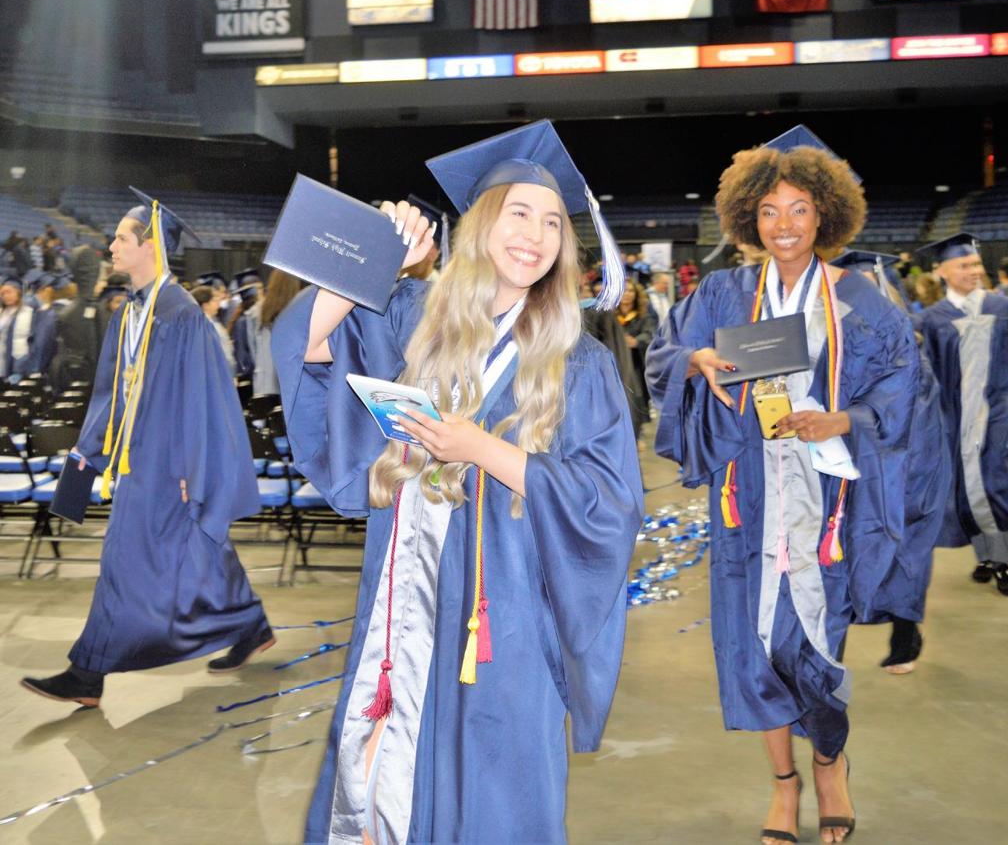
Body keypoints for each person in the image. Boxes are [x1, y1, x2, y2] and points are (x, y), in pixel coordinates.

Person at [273, 121, 642, 845]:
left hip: (504, 623)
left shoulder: (580, 365)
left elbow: (609, 507)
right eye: (517, 213)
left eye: (551, 224)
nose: (535, 237)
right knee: (383, 783)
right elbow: (306, 346)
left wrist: (482, 449)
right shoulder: (415, 319)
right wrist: (374, 260)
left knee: (497, 798)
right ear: (479, 225)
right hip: (400, 609)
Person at [647, 124, 922, 845]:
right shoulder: (722, 290)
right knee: (753, 642)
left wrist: (844, 419)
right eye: (769, 211)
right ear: (748, 219)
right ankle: (783, 783)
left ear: (825, 215)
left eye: (799, 209)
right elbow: (664, 353)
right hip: (748, 496)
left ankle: (829, 763)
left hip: (827, 502)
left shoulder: (860, 297)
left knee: (816, 640)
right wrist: (698, 361)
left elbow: (903, 387)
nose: (784, 226)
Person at [19, 190, 272, 708]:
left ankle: (87, 674)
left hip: (169, 465)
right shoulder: (127, 314)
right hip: (136, 464)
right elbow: (110, 394)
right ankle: (249, 623)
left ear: (149, 245)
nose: (110, 245)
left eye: (120, 238)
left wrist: (191, 472)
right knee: (193, 548)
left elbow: (202, 401)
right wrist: (87, 457)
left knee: (130, 560)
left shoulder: (181, 316)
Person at [830, 249, 951, 676]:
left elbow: (919, 423)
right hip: (846, 468)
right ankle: (831, 641)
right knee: (838, 551)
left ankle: (905, 633)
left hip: (904, 468)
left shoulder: (911, 356)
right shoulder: (831, 347)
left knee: (906, 548)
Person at [916, 233, 1008, 597]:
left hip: (999, 413)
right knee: (967, 491)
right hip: (956, 419)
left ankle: (998, 557)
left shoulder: (1003, 309)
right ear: (943, 271)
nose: (974, 270)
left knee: (997, 486)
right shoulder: (932, 320)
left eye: (976, 264)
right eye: (964, 265)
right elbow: (927, 378)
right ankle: (992, 556)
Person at [49, 244, 105, 392]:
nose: (89, 273)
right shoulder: (71, 312)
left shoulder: (95, 309)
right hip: (76, 377)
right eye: (85, 268)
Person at [248, 269, 302, 399]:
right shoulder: (299, 310)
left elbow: (253, 348)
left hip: (264, 380)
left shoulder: (257, 311)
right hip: (291, 382)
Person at [616, 277, 655, 441]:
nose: (627, 294)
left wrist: (636, 341)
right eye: (624, 290)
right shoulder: (609, 315)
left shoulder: (643, 316)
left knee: (636, 399)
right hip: (616, 365)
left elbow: (650, 334)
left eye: (631, 290)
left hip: (636, 365)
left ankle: (635, 434)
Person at [192, 284, 237, 375]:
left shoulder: (194, 325)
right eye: (214, 300)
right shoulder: (210, 326)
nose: (218, 304)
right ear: (205, 305)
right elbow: (224, 355)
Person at [229, 267, 263, 378]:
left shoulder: (255, 316)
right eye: (259, 289)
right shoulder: (243, 321)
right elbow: (243, 354)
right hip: (251, 373)